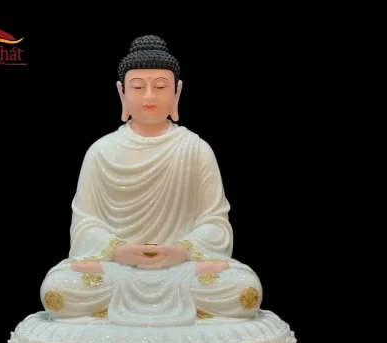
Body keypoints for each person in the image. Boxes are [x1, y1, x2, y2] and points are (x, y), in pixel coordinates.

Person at [40, 35, 262, 326]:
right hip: (118, 269)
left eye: (160, 86)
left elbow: (216, 224)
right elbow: (85, 224)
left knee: (244, 291)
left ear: (177, 92)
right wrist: (118, 251)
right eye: (137, 87)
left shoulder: (196, 150)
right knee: (58, 291)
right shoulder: (101, 151)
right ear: (121, 93)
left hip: (182, 269)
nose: (148, 96)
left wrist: (181, 251)